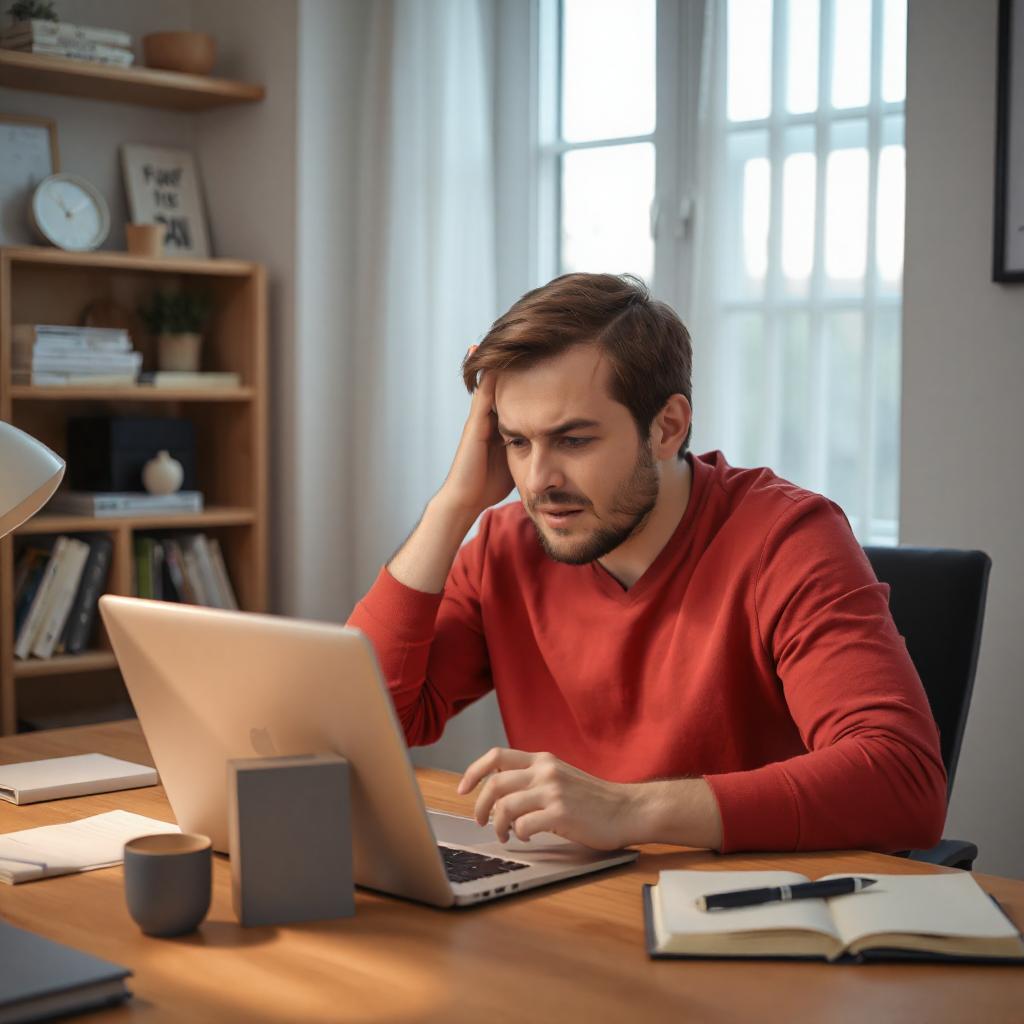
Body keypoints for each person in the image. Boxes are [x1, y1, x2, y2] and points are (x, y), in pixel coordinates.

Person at [348, 272, 947, 854]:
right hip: (578, 907)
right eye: (517, 442)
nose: (537, 482)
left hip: (746, 913)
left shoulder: (787, 540)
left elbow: (903, 779)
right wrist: (455, 505)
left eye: (574, 440)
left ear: (667, 428)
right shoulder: (506, 545)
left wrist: (626, 809)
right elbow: (366, 724)